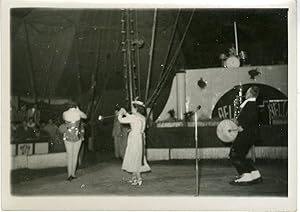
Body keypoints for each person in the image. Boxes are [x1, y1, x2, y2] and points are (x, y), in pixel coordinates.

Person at [229, 86, 262, 185]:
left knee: (234, 155)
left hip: (245, 134)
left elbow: (248, 119)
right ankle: (255, 174)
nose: (245, 93)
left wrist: (240, 125)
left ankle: (245, 175)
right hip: (249, 135)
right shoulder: (252, 104)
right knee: (241, 156)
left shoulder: (250, 104)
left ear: (251, 94)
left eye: (247, 92)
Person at [118, 100, 151, 186]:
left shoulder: (133, 117)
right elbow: (134, 120)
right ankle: (134, 177)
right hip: (139, 139)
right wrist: (126, 113)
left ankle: (138, 178)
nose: (131, 108)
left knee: (134, 157)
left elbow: (120, 120)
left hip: (133, 139)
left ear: (136, 108)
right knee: (136, 156)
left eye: (132, 107)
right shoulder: (142, 117)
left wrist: (121, 113)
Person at [59, 103, 87, 181]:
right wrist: (78, 110)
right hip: (77, 136)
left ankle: (69, 175)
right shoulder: (78, 112)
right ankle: (73, 174)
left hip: (67, 136)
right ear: (76, 106)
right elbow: (85, 116)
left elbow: (64, 119)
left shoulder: (64, 113)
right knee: (75, 155)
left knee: (69, 156)